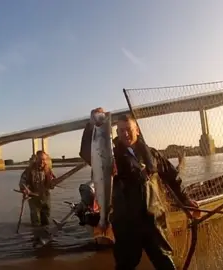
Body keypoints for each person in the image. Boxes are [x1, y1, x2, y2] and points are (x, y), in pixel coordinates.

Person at [79, 108, 200, 270]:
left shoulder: (152, 154)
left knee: (165, 261)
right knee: (125, 265)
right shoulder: (111, 155)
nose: (125, 134)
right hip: (126, 223)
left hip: (154, 221)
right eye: (121, 130)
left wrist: (185, 199)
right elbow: (86, 152)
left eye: (128, 129)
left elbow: (172, 177)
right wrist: (91, 125)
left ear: (136, 130)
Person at [19, 150, 57, 229]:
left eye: (44, 159)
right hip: (33, 197)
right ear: (36, 159)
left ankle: (46, 233)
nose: (42, 161)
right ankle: (36, 236)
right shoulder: (29, 170)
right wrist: (24, 189)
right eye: (40, 159)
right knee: (36, 219)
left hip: (45, 197)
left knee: (46, 218)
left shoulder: (48, 170)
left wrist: (53, 184)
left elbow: (52, 182)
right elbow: (22, 182)